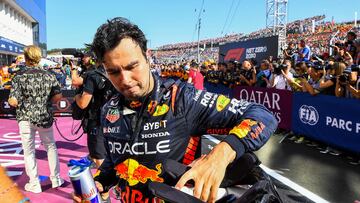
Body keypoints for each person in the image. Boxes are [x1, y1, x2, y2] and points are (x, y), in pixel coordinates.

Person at [73, 17, 278, 203]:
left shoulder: (181, 99)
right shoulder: (109, 109)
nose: (125, 80)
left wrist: (221, 154)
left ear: (147, 56)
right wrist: (99, 183)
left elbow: (262, 115)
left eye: (132, 66)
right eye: (114, 72)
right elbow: (113, 162)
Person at [8, 45, 64, 193]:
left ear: (26, 58)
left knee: (29, 151)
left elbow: (13, 101)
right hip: (45, 116)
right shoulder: (49, 75)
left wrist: (17, 101)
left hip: (26, 118)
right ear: (39, 57)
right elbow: (58, 97)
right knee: (51, 147)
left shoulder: (19, 76)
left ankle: (34, 183)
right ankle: (56, 179)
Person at [74, 59, 115, 168]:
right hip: (114, 119)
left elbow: (83, 103)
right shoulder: (115, 72)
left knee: (99, 157)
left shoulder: (93, 76)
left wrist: (77, 95)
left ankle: (105, 183)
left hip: (97, 120)